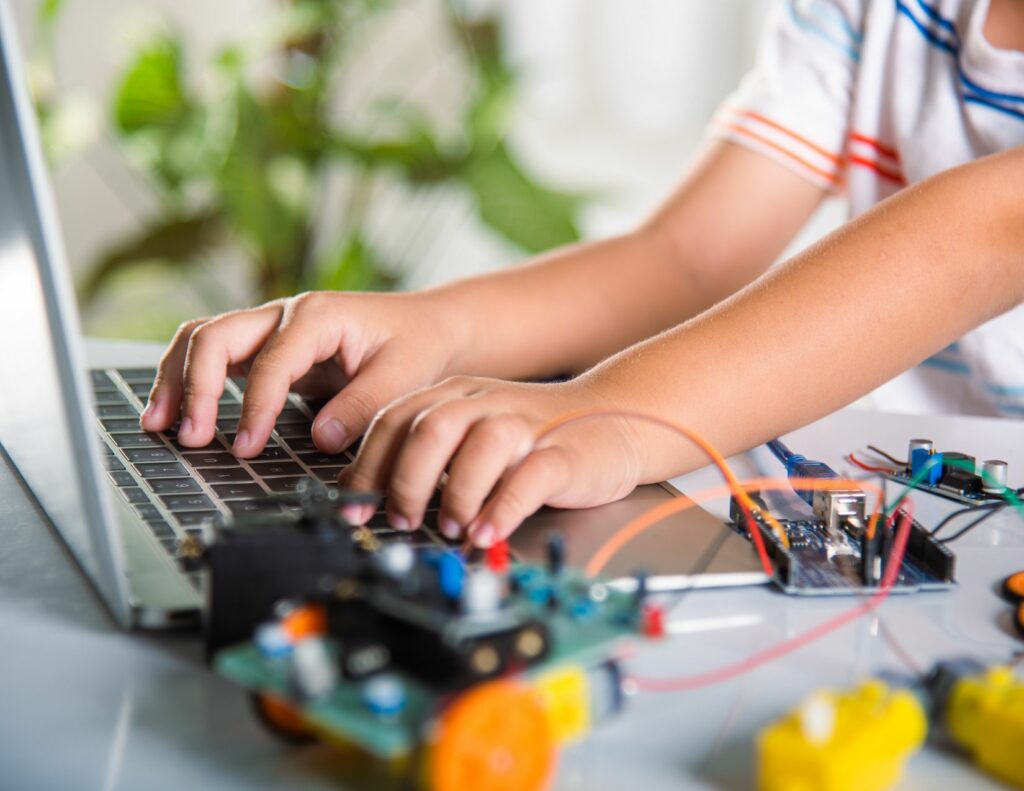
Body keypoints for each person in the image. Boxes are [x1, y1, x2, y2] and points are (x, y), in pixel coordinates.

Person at [141, 0, 1024, 548]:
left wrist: (617, 414)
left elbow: (993, 227)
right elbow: (688, 255)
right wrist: (439, 327)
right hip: (897, 511)